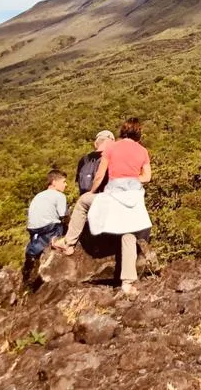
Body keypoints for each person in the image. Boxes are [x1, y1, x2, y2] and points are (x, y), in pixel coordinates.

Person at [57, 118, 152, 295]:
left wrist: (91, 191)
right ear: (138, 135)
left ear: (122, 132)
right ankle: (127, 283)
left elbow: (100, 175)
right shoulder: (143, 151)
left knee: (82, 203)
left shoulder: (111, 148)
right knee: (128, 235)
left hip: (112, 197)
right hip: (132, 199)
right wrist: (131, 178)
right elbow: (147, 177)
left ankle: (68, 243)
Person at [24, 170, 67, 281]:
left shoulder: (39, 195)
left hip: (33, 229)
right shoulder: (60, 196)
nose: (66, 185)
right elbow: (64, 216)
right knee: (63, 227)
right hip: (49, 227)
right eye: (63, 182)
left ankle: (32, 257)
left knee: (36, 243)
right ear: (54, 182)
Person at [75, 130, 115, 195]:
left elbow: (78, 181)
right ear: (110, 142)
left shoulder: (84, 159)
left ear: (96, 143)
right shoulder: (111, 157)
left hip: (86, 196)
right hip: (104, 196)